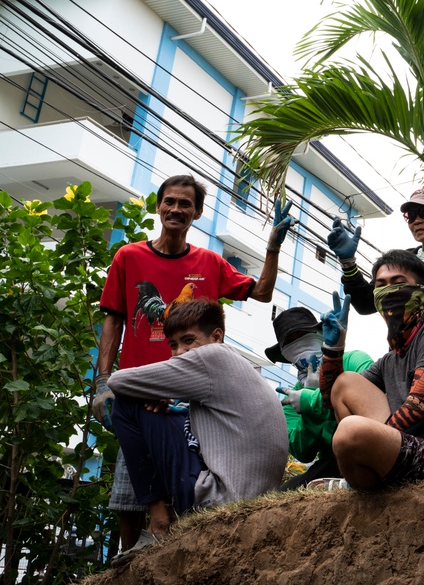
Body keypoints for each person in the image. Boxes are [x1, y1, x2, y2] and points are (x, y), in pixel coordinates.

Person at [91, 174, 294, 553]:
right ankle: (129, 562)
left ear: (197, 212)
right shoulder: (129, 256)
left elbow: (262, 292)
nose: (176, 209)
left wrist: (272, 248)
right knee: (126, 493)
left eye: (186, 204)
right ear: (158, 206)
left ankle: (176, 549)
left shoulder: (210, 262)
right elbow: (114, 317)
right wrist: (103, 381)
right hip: (140, 392)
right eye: (170, 201)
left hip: (192, 398)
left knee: (184, 480)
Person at [107, 300, 287, 562]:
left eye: (188, 340)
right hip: (247, 499)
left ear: (216, 337)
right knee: (164, 411)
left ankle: (160, 522)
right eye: (173, 344)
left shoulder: (212, 357)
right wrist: (170, 403)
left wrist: (156, 391)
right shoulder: (237, 365)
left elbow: (118, 381)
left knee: (127, 403)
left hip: (221, 500)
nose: (180, 352)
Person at [319, 249, 424, 490]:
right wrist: (333, 348)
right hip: (409, 448)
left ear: (422, 291)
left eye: (399, 283)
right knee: (346, 383)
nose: (389, 291)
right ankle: (370, 481)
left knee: (350, 432)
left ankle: (366, 478)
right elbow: (331, 398)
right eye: (381, 285)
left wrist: (369, 440)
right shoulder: (390, 359)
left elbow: (418, 408)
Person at [327, 187, 424, 326]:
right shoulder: (405, 262)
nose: (416, 221)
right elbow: (366, 303)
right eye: (411, 216)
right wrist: (348, 262)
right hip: (413, 350)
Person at [264, 305, 373, 489]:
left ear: (320, 335)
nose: (298, 343)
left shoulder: (354, 360)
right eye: (290, 341)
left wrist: (313, 399)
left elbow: (370, 404)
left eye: (302, 335)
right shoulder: (291, 398)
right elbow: (303, 452)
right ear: (284, 353)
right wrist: (308, 413)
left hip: (367, 446)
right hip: (332, 462)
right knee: (287, 491)